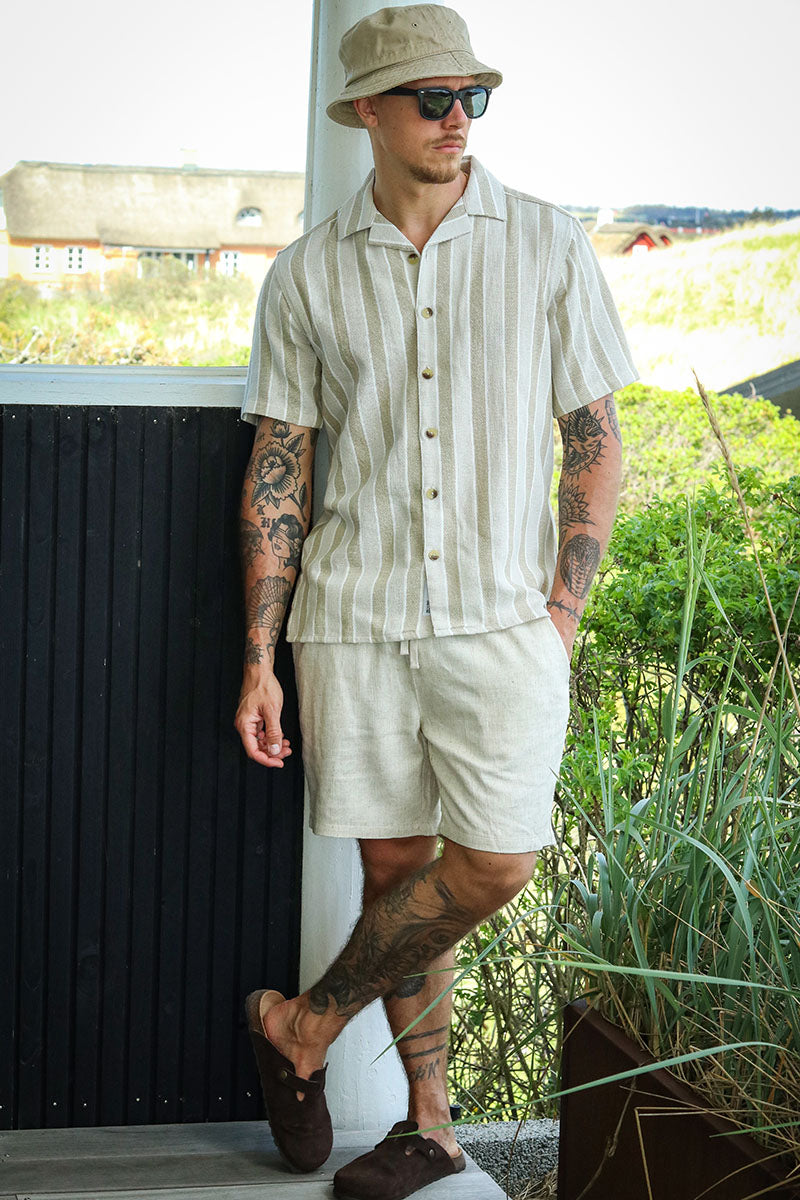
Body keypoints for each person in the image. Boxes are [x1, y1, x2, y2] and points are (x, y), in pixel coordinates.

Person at [235, 5, 637, 1197]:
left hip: (502, 623)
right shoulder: (306, 271)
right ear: (366, 109)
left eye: (472, 96)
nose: (457, 118)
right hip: (352, 622)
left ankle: (299, 1026)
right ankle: (428, 1125)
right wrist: (259, 658)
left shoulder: (547, 245)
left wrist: (558, 616)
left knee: (494, 864)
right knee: (396, 872)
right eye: (430, 99)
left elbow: (594, 442)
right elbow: (279, 468)